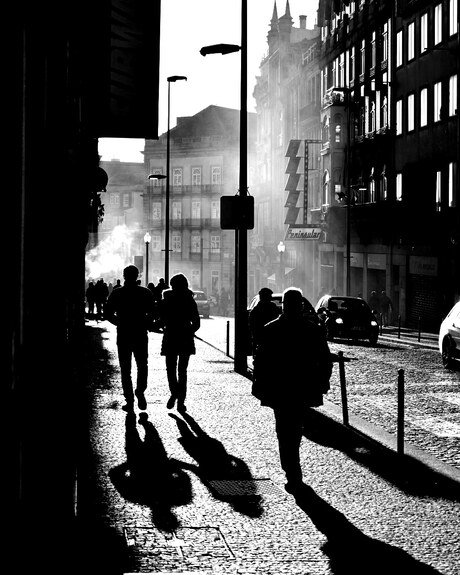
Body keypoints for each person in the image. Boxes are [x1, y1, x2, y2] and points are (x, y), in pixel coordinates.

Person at [252, 287, 332, 494]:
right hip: (302, 388)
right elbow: (325, 360)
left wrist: (259, 384)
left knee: (284, 431)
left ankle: (291, 470)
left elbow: (260, 361)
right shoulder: (312, 330)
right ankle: (292, 470)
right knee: (295, 430)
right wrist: (322, 382)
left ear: (284, 305)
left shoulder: (271, 329)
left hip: (279, 389)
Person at [105, 265, 156, 412]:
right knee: (142, 364)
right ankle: (140, 391)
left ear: (124, 276)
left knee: (125, 368)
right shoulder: (145, 292)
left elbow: (108, 313)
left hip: (124, 333)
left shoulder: (117, 293)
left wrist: (119, 322)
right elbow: (153, 312)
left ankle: (129, 399)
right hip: (140, 333)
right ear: (137, 276)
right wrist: (146, 323)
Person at [158, 273, 200, 413]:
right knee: (182, 371)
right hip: (185, 337)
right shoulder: (189, 299)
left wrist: (158, 326)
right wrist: (189, 331)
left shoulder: (166, 299)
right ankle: (181, 402)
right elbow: (197, 322)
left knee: (170, 369)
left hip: (170, 336)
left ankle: (174, 393)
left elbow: (160, 319)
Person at [248, 288, 280, 356]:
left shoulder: (257, 309)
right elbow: (253, 327)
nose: (271, 298)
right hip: (263, 340)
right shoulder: (257, 310)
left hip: (269, 340)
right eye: (269, 296)